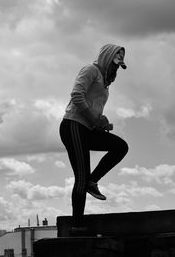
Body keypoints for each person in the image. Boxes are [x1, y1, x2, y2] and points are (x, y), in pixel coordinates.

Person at [59, 43, 129, 230]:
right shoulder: (90, 70)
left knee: (121, 147)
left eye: (119, 65)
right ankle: (77, 225)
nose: (116, 68)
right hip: (73, 125)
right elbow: (76, 96)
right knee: (80, 175)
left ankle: (92, 181)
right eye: (115, 63)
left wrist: (101, 120)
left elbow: (91, 105)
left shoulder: (105, 83)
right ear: (107, 59)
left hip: (87, 128)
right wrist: (93, 119)